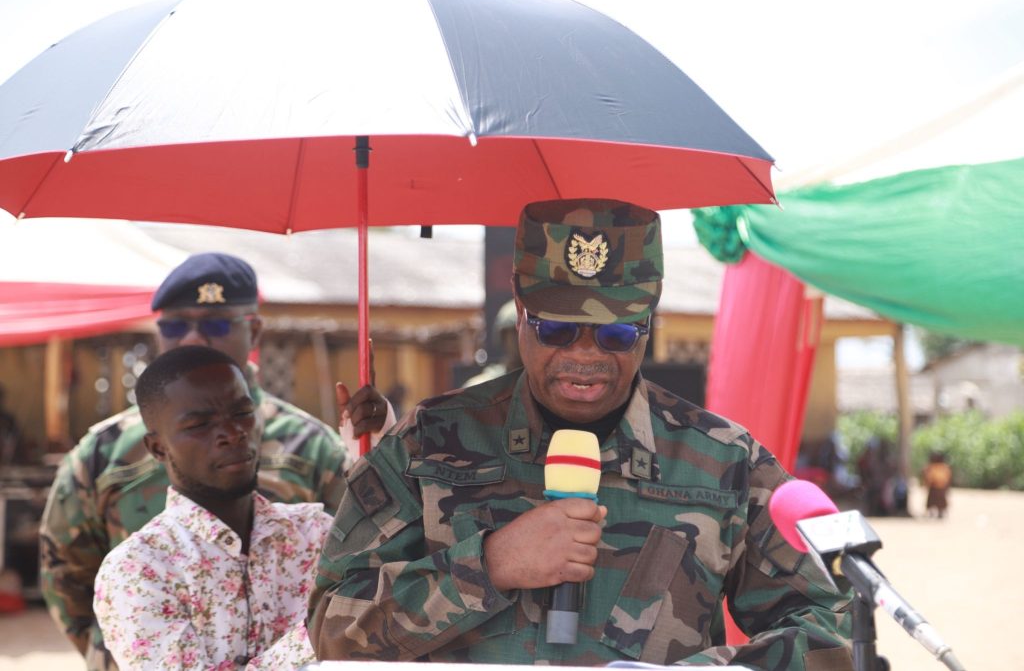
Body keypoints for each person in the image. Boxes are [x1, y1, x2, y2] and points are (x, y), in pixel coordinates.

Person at [308, 199, 853, 669]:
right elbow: (330, 627)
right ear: (520, 312)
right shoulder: (428, 443)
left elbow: (831, 629)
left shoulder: (724, 460)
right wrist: (488, 565)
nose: (585, 356)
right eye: (558, 328)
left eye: (617, 332)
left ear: (649, 320)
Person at [40, 252, 394, 671]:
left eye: (215, 325)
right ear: (158, 447)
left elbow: (378, 561)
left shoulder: (311, 488)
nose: (193, 338)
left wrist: (381, 448)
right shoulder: (109, 467)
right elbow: (64, 569)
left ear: (255, 331)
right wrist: (111, 653)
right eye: (175, 325)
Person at [95, 345, 325, 669]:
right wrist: (318, 639)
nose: (232, 434)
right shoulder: (139, 569)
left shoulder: (316, 534)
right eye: (199, 425)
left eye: (242, 413)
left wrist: (385, 440)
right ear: (158, 448)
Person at [462, 298, 523, 387]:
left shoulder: (544, 387)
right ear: (503, 337)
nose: (521, 338)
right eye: (515, 332)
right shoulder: (482, 388)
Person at [922, 451, 952, 519]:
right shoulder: (931, 467)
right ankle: (931, 512)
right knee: (931, 501)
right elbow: (927, 476)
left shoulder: (944, 467)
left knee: (941, 502)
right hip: (933, 486)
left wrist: (946, 487)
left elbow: (948, 477)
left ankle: (940, 512)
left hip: (941, 487)